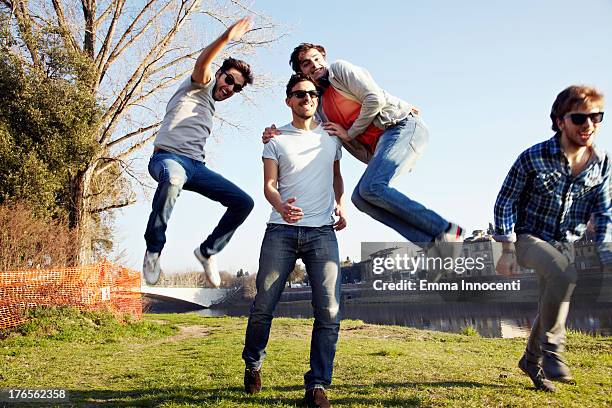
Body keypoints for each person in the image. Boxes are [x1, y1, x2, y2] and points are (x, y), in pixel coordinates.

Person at [263, 44, 464, 260]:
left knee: (372, 187)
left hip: (401, 127)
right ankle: (433, 245)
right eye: (307, 64)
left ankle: (447, 230)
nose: (315, 65)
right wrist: (276, 133)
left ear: (324, 58)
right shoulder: (320, 107)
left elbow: (374, 98)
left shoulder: (339, 71)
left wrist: (350, 133)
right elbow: (309, 129)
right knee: (361, 197)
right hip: (383, 145)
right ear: (303, 73)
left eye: (317, 58)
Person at [494, 85, 610, 392]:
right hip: (529, 239)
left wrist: (606, 255)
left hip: (565, 244)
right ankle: (553, 352)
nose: (589, 125)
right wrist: (506, 249)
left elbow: (604, 211)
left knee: (552, 302)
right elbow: (505, 202)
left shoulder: (601, 162)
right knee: (564, 274)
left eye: (597, 117)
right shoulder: (532, 157)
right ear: (560, 121)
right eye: (579, 118)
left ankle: (531, 362)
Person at [242, 73, 345, 408]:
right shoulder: (275, 140)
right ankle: (253, 362)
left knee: (329, 310)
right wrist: (280, 205)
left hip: (322, 234)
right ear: (289, 100)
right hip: (281, 231)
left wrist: (340, 203)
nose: (307, 98)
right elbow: (269, 185)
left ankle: (317, 385)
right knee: (263, 306)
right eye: (300, 94)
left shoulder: (331, 139)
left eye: (312, 94)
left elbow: (336, 177)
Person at [142, 17, 255, 286]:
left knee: (243, 202)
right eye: (229, 80)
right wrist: (227, 37)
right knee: (172, 180)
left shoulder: (211, 107)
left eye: (236, 88)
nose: (229, 88)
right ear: (219, 74)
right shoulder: (199, 85)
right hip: (167, 159)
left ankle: (207, 251)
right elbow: (203, 61)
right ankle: (153, 251)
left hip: (196, 167)